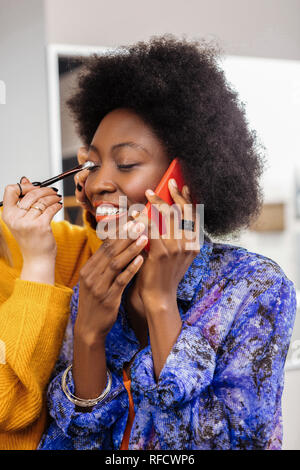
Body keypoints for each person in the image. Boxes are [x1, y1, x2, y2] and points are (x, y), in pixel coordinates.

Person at [36, 35, 297, 450]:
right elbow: (68, 444)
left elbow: (226, 443)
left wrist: (160, 302)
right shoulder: (89, 291)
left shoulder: (255, 288)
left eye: (125, 163)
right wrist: (88, 334)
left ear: (183, 178)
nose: (99, 183)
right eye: (94, 163)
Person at [0, 168, 103, 448]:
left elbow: (99, 264)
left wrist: (97, 211)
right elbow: (6, 400)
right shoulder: (26, 246)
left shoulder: (11, 240)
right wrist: (37, 262)